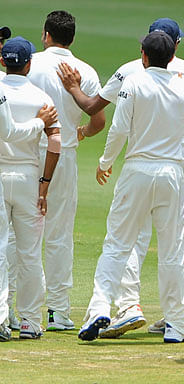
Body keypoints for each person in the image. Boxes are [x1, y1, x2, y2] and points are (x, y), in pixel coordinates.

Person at [58, 17, 184, 342]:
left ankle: (100, 308)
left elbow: (118, 130)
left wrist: (104, 162)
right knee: (173, 250)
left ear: (143, 55)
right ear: (172, 56)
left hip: (137, 170)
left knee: (116, 244)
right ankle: (176, 324)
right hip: (174, 173)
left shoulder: (133, 82)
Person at [12, 10, 104, 332]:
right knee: (59, 236)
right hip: (63, 155)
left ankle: (10, 311)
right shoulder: (86, 71)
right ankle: (58, 313)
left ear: (45, 34)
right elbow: (98, 121)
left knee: (17, 234)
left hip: (23, 154)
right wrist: (79, 133)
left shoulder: (28, 62)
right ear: (72, 38)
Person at [0, 36, 62, 339]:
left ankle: (1, 317)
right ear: (28, 64)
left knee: (1, 249)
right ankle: (29, 322)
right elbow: (56, 142)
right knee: (29, 253)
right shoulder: (42, 98)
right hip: (27, 178)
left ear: (2, 62)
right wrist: (44, 186)